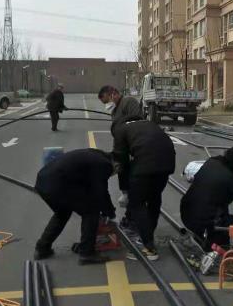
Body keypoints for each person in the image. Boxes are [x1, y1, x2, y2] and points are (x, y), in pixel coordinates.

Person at [33, 148, 116, 265]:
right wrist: (110, 213)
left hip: (43, 183)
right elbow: (101, 191)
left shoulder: (95, 155)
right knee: (91, 212)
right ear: (116, 164)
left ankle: (42, 248)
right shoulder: (104, 164)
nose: (113, 174)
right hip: (59, 185)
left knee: (62, 213)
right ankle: (87, 253)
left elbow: (89, 185)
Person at [113, 116, 176, 260]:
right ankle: (147, 239)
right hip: (167, 164)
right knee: (154, 199)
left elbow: (121, 162)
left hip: (145, 166)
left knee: (136, 204)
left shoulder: (121, 130)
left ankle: (148, 247)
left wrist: (125, 191)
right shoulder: (149, 124)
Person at [180, 142, 233, 249]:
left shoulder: (212, 161)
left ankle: (200, 235)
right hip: (205, 224)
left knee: (216, 207)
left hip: (186, 214)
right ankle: (210, 242)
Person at [98, 85, 142, 208]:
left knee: (135, 171)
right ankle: (126, 192)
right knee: (121, 168)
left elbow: (136, 120)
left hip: (133, 144)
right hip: (122, 146)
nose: (107, 105)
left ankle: (136, 196)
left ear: (113, 94)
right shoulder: (115, 109)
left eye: (106, 101)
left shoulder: (129, 102)